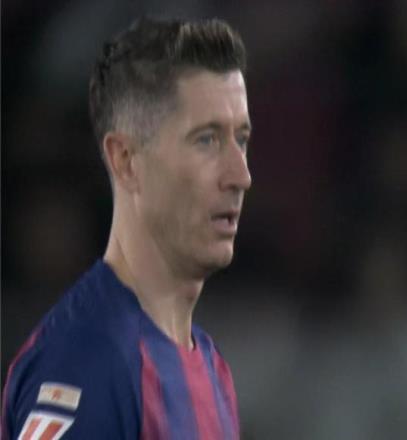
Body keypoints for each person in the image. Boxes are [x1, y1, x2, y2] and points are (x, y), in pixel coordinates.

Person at [2, 16, 251, 439]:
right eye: (206, 140)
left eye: (241, 139)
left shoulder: (212, 367)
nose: (240, 175)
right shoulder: (84, 362)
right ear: (126, 160)